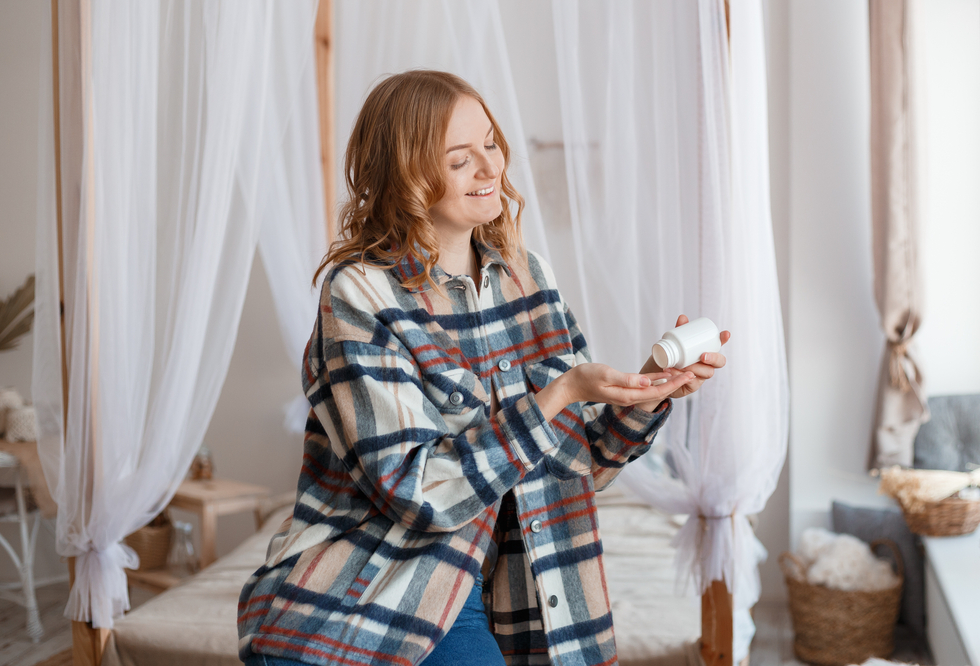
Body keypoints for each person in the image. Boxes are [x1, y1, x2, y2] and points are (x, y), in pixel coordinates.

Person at [238, 70, 729, 666]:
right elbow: (415, 493)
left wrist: (648, 388)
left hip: (514, 591)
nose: (491, 169)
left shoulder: (530, 277)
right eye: (459, 158)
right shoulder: (361, 295)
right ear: (408, 176)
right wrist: (557, 394)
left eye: (491, 144)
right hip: (382, 590)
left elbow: (580, 464)